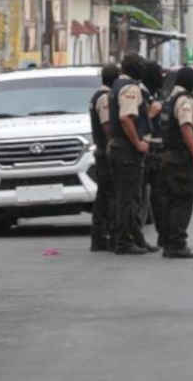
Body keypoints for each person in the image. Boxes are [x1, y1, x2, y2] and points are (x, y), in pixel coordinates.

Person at [108, 53, 153, 255]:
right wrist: (138, 143)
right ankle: (124, 242)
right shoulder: (130, 88)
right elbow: (126, 118)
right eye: (140, 65)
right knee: (128, 198)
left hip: (119, 148)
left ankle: (135, 239)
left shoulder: (116, 85)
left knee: (126, 197)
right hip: (127, 150)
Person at [158, 67, 193, 258]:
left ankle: (169, 242)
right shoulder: (184, 100)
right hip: (180, 158)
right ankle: (177, 244)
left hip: (167, 156)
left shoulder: (169, 100)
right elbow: (186, 127)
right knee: (182, 201)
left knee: (170, 201)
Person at [88, 63, 119, 252]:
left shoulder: (97, 96)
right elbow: (107, 126)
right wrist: (113, 145)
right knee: (108, 196)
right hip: (105, 152)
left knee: (103, 196)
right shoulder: (105, 98)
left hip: (101, 151)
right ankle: (103, 236)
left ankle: (100, 236)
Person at [139, 60, 165, 253]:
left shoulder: (152, 93)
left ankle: (162, 236)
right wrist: (152, 112)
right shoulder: (139, 93)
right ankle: (136, 237)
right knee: (141, 197)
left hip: (155, 150)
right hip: (144, 150)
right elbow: (135, 121)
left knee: (157, 197)